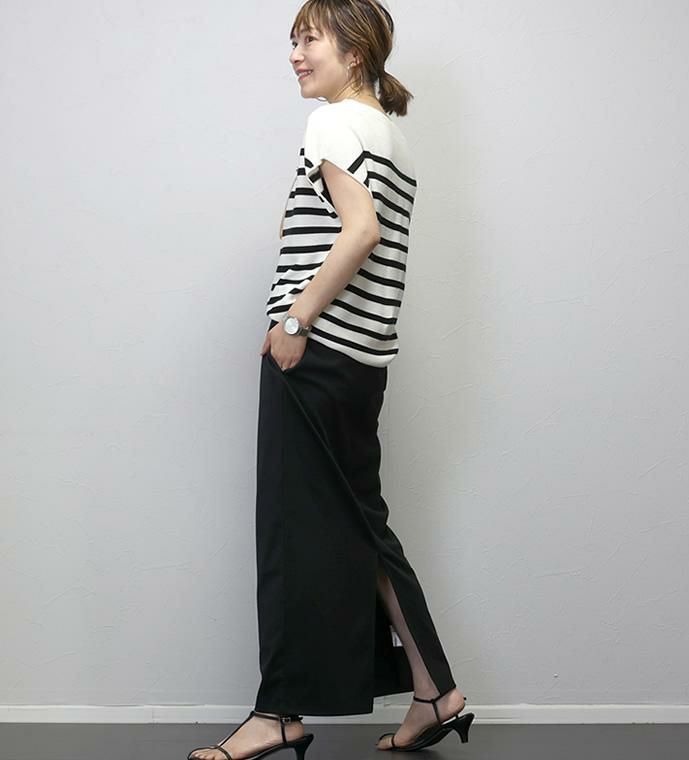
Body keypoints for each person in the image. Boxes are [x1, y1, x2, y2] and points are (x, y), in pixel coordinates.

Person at [187, 2, 474, 758]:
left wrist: (294, 321)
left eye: (309, 38)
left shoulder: (334, 123)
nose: (294, 53)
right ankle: (435, 692)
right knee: (360, 527)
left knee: (291, 534)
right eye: (293, 39)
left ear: (354, 52)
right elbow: (365, 230)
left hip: (314, 356)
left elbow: (361, 232)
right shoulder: (391, 136)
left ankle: (278, 713)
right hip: (362, 362)